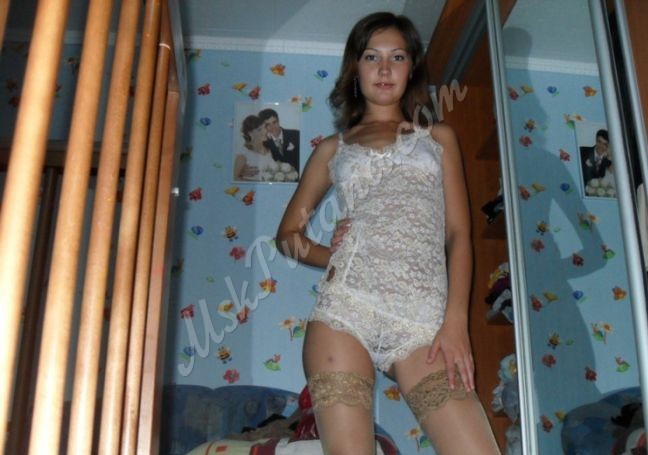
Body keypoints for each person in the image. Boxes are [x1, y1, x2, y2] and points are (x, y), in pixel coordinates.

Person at [276, 11, 500, 455]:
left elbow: (458, 234)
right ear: (355, 69)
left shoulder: (439, 138)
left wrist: (456, 322)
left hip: (422, 324)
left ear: (411, 67)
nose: (384, 69)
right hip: (344, 312)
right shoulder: (332, 149)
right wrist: (329, 254)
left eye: (397, 57)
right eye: (371, 57)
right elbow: (287, 235)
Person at [233, 114, 283, 182]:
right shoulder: (243, 153)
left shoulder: (270, 148)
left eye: (264, 128)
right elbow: (235, 178)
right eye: (259, 130)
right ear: (250, 133)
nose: (265, 131)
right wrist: (260, 184)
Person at [259, 108, 301, 173]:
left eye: (274, 122)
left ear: (278, 121)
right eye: (268, 124)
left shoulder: (296, 134)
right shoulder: (265, 143)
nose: (272, 127)